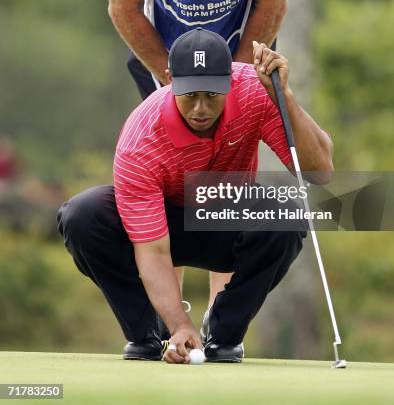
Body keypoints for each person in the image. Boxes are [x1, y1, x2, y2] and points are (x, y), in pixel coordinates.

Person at [100, 0, 297, 307]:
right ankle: (173, 315)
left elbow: (271, 3)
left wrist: (232, 81)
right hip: (161, 56)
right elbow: (123, 7)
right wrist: (180, 81)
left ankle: (219, 320)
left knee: (226, 181)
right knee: (171, 180)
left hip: (240, 50)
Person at [57, 29, 334, 363]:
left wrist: (283, 96)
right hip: (163, 223)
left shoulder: (255, 91)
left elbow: (320, 172)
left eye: (212, 94)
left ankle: (223, 332)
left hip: (224, 221)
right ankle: (148, 331)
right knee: (83, 215)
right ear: (170, 79)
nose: (201, 108)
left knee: (285, 215)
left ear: (230, 80)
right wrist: (179, 323)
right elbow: (154, 249)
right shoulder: (142, 137)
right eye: (190, 95)